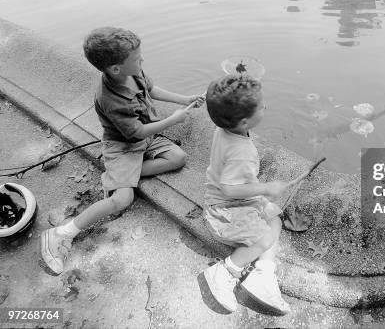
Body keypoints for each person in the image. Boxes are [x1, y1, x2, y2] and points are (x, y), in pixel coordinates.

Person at [40, 27, 204, 275]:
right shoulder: (111, 98)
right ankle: (62, 233)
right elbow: (135, 133)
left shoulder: (133, 72)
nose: (142, 61)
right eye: (137, 58)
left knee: (178, 158)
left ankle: (120, 178)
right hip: (124, 146)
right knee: (122, 199)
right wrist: (172, 120)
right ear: (115, 68)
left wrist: (185, 99)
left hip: (146, 135)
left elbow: (152, 89)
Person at [201, 74, 308, 315]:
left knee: (274, 216)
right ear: (244, 122)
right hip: (225, 211)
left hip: (227, 200)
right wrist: (266, 188)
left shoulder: (224, 129)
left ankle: (263, 272)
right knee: (265, 238)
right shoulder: (242, 151)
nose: (266, 107)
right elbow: (229, 188)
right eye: (261, 106)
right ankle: (226, 271)